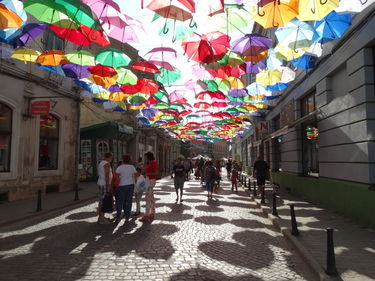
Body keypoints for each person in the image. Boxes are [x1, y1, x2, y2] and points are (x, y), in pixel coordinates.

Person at [115, 154, 136, 223]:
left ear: (123, 160)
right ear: (129, 160)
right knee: (129, 201)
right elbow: (134, 176)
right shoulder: (132, 167)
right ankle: (127, 217)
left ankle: (118, 217)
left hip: (122, 186)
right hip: (130, 185)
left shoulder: (120, 168)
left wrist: (121, 178)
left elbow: (117, 178)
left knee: (120, 202)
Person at [140, 151, 159, 222]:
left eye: (146, 157)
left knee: (147, 198)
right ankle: (152, 213)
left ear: (148, 157)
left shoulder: (154, 163)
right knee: (151, 198)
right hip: (149, 180)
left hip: (150, 181)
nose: (145, 158)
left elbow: (156, 173)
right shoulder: (151, 163)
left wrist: (147, 173)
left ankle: (146, 215)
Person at [97, 152, 113, 224]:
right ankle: (102, 219)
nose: (112, 159)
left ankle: (100, 217)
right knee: (103, 202)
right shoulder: (106, 164)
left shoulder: (101, 163)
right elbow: (106, 175)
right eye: (111, 157)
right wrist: (108, 186)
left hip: (101, 183)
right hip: (104, 184)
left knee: (101, 201)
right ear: (109, 157)